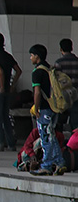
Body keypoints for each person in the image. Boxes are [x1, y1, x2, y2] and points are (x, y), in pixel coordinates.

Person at [29, 44, 66, 176]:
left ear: (37, 56)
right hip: (54, 107)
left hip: (45, 108)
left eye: (32, 55)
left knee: (45, 137)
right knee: (52, 136)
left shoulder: (37, 72)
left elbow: (37, 92)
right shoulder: (50, 69)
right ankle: (60, 162)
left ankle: (46, 165)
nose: (30, 58)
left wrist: (36, 107)